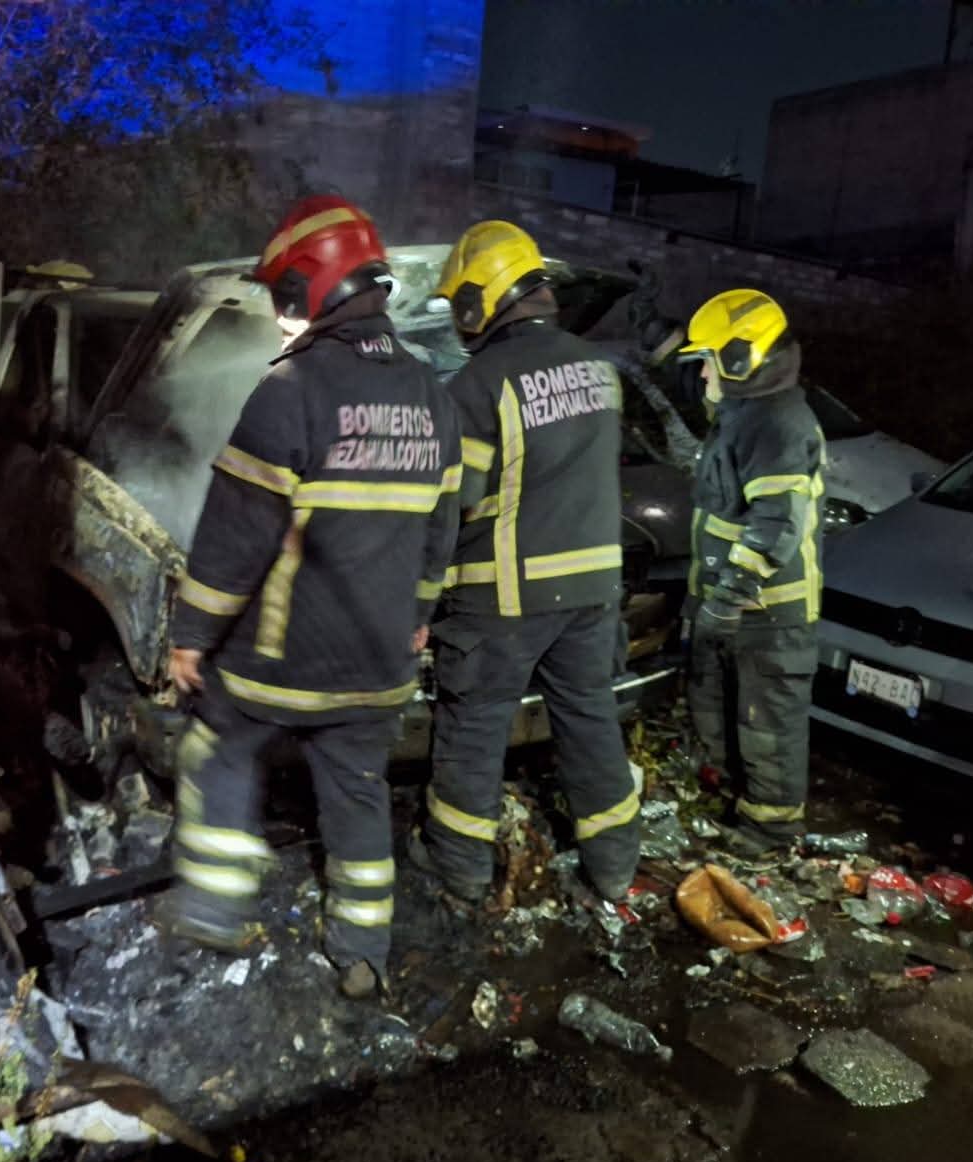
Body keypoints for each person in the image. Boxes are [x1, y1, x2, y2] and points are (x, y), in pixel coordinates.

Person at [163, 195, 462, 999]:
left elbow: (235, 535)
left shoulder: (290, 388)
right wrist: (419, 619)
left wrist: (192, 634)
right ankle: (362, 953)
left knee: (217, 746)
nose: (281, 317)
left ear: (314, 287)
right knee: (359, 793)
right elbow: (441, 533)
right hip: (381, 660)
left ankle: (214, 907)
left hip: (283, 659)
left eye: (284, 297)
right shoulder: (434, 396)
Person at [410, 220, 641, 904]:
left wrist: (419, 599)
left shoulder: (479, 384)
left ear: (482, 298)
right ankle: (615, 868)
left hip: (503, 598)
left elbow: (452, 508)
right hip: (593, 592)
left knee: (473, 732)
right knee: (590, 723)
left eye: (460, 304)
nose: (458, 321)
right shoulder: (600, 370)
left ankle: (460, 870)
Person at [674, 288, 825, 848]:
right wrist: (659, 338)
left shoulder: (778, 424)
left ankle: (771, 830)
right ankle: (736, 809)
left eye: (708, 362)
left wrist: (729, 596)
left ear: (742, 360)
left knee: (767, 727)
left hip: (768, 612)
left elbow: (776, 524)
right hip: (738, 605)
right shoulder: (746, 411)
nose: (701, 375)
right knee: (725, 717)